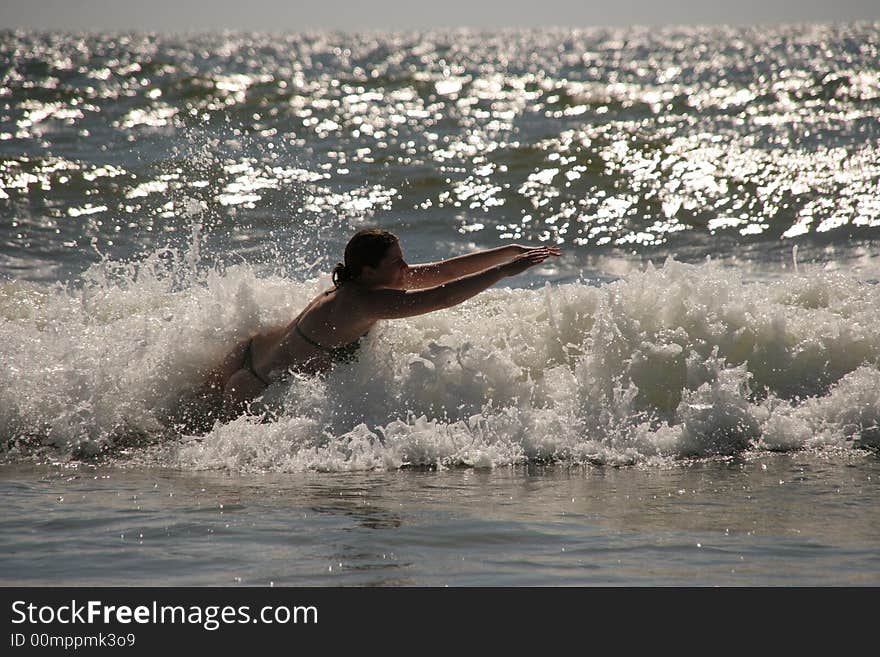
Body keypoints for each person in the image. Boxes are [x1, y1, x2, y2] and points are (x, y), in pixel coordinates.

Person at [202, 229, 561, 419]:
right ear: (369, 270)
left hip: (246, 359)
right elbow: (442, 296)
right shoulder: (364, 301)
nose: (405, 269)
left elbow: (445, 272)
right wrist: (505, 271)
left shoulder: (359, 285)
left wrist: (509, 251)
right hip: (251, 393)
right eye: (397, 262)